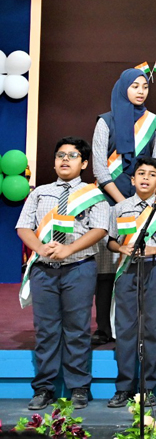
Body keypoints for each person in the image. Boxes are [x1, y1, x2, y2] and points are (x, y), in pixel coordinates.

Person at [17, 137, 110, 410]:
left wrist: (69, 251)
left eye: (72, 155)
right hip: (44, 270)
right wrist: (41, 249)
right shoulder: (40, 192)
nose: (65, 160)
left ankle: (78, 386)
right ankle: (44, 387)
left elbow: (100, 229)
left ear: (83, 163)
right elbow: (24, 227)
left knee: (77, 329)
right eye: (60, 155)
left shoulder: (93, 194)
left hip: (79, 268)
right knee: (46, 330)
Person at [91, 68, 156, 347]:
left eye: (144, 86)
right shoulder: (105, 121)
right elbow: (99, 166)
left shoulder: (155, 122)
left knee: (135, 264)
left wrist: (139, 203)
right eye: (134, 86)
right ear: (123, 88)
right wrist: (122, 204)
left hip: (142, 204)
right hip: (110, 201)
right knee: (107, 265)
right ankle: (102, 327)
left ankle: (132, 326)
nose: (140, 91)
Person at [105, 157, 156, 408]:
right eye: (141, 174)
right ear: (133, 179)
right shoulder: (120, 208)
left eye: (151, 174)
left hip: (154, 269)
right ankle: (123, 387)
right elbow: (111, 241)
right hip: (126, 271)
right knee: (125, 329)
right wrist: (121, 249)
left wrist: (154, 249)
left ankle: (148, 387)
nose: (146, 178)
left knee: (151, 329)